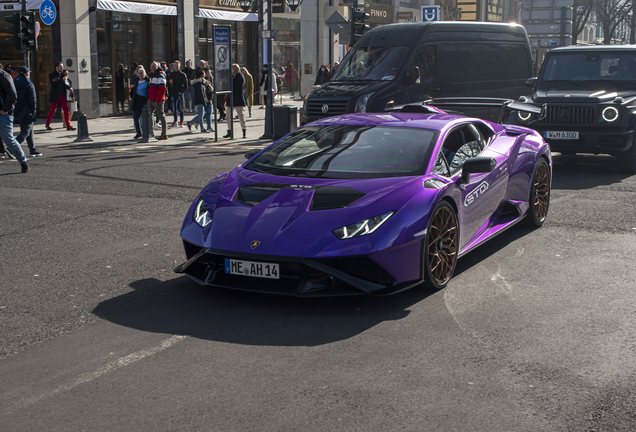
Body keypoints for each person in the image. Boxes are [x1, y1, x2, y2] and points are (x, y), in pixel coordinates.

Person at [0, 66, 29, 173]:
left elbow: (12, 94)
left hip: (4, 114)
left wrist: (5, 109)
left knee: (9, 140)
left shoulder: (4, 76)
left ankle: (23, 161)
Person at [13, 66, 41, 157]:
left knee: (29, 130)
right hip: (27, 110)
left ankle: (32, 149)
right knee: (25, 132)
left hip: (18, 110)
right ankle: (11, 148)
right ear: (27, 73)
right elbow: (33, 99)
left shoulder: (14, 82)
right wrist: (34, 111)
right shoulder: (29, 84)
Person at [45, 61, 74, 131]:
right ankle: (47, 123)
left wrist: (69, 87)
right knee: (53, 110)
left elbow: (63, 84)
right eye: (60, 66)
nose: (62, 68)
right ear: (56, 67)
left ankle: (68, 125)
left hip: (62, 95)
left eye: (62, 66)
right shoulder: (52, 75)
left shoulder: (62, 75)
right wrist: (62, 80)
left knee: (66, 109)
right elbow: (53, 83)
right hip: (55, 95)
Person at [224, 63, 246, 139]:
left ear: (236, 69)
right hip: (230, 99)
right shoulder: (231, 77)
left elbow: (239, 86)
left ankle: (244, 130)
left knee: (240, 116)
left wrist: (232, 81)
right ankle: (229, 130)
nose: (232, 70)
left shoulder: (240, 76)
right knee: (228, 116)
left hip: (238, 99)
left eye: (233, 69)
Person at [147, 61, 168, 140]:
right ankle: (150, 133)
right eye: (152, 66)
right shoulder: (151, 75)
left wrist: (158, 99)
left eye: (154, 66)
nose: (153, 67)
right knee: (149, 116)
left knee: (161, 116)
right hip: (151, 99)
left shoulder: (160, 74)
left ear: (158, 66)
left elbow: (162, 88)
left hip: (157, 100)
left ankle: (164, 134)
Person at [130, 65, 149, 139]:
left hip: (144, 101)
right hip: (136, 102)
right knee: (135, 117)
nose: (141, 74)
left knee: (144, 118)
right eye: (140, 73)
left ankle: (146, 132)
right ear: (137, 74)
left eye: (142, 73)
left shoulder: (147, 81)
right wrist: (132, 89)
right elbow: (132, 92)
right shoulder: (136, 81)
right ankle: (138, 132)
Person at [168, 60, 187, 128]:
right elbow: (167, 84)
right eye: (175, 65)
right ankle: (175, 121)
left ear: (179, 66)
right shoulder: (171, 74)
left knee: (181, 108)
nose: (176, 66)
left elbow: (185, 85)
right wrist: (170, 83)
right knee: (174, 108)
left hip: (179, 93)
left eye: (177, 65)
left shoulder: (182, 74)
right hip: (173, 93)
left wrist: (181, 91)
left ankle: (181, 121)